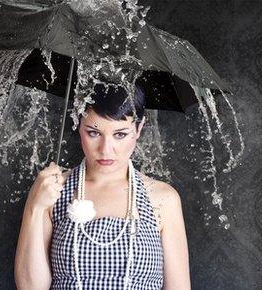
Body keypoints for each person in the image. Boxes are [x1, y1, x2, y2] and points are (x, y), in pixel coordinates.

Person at [14, 84, 191, 290]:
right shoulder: (53, 190)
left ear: (139, 129)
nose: (106, 149)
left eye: (120, 134)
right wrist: (34, 208)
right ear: (78, 124)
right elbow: (30, 288)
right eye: (93, 133)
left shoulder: (163, 199)